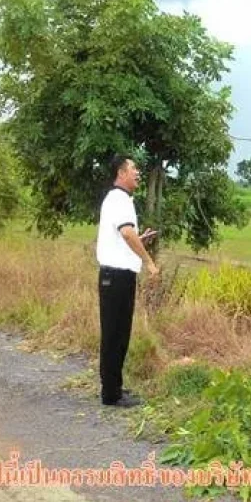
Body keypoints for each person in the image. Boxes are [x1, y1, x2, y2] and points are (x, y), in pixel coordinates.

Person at [96, 155, 159, 407]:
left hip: (118, 276)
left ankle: (114, 388)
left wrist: (139, 240)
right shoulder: (119, 199)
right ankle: (111, 394)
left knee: (119, 334)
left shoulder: (120, 200)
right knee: (114, 334)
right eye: (134, 169)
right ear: (121, 173)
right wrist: (149, 262)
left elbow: (124, 237)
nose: (138, 173)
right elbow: (126, 232)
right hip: (116, 277)